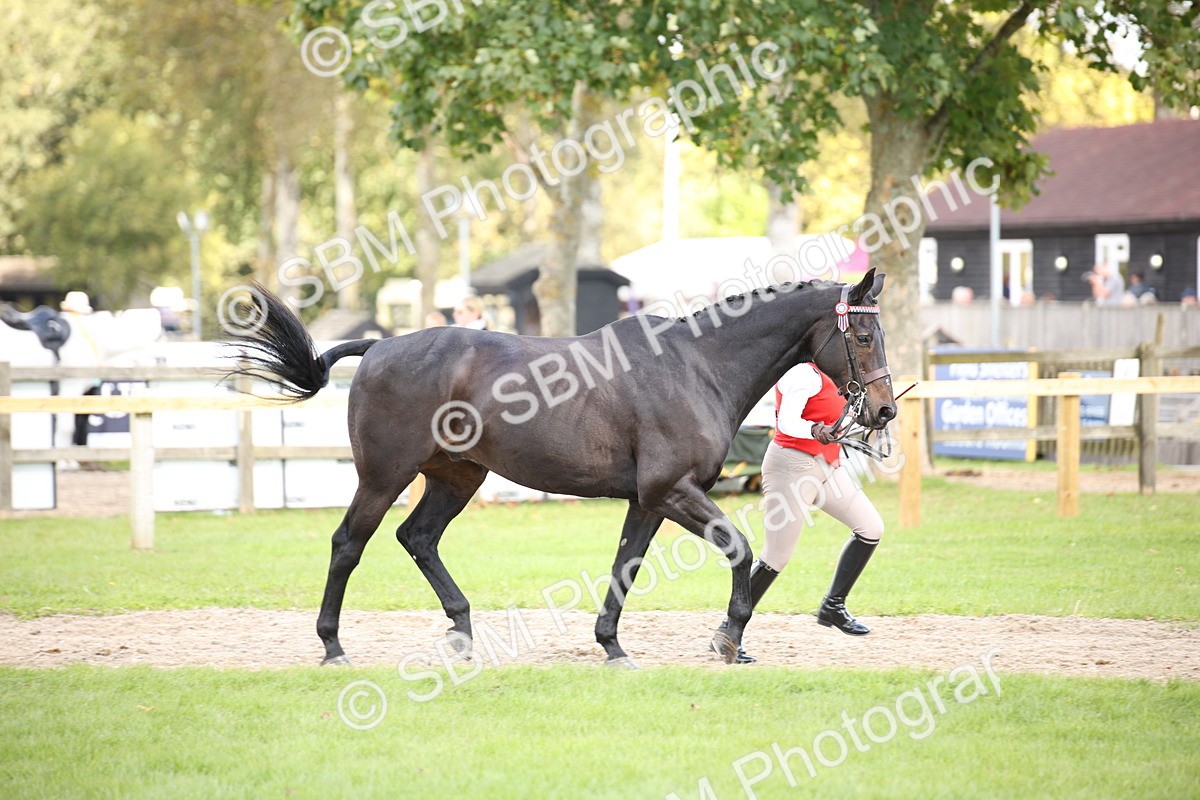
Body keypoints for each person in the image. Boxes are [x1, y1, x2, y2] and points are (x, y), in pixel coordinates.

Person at [713, 361, 885, 663]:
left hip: (828, 466)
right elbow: (789, 423)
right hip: (792, 466)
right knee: (776, 557)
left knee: (871, 528)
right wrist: (819, 429)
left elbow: (839, 421)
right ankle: (729, 631)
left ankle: (833, 606)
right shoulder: (802, 373)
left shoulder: (835, 374)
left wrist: (869, 419)